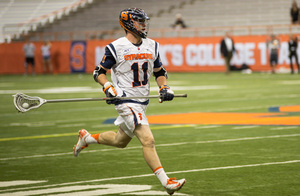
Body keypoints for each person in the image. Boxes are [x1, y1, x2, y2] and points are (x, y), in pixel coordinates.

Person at [73, 8, 185, 195]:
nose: (144, 25)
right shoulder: (116, 47)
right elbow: (98, 72)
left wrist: (163, 87)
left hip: (142, 102)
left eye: (144, 21)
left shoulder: (152, 45)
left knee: (120, 141)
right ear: (128, 24)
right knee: (148, 140)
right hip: (125, 100)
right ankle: (167, 182)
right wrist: (108, 87)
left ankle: (87, 138)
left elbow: (159, 72)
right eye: (140, 21)